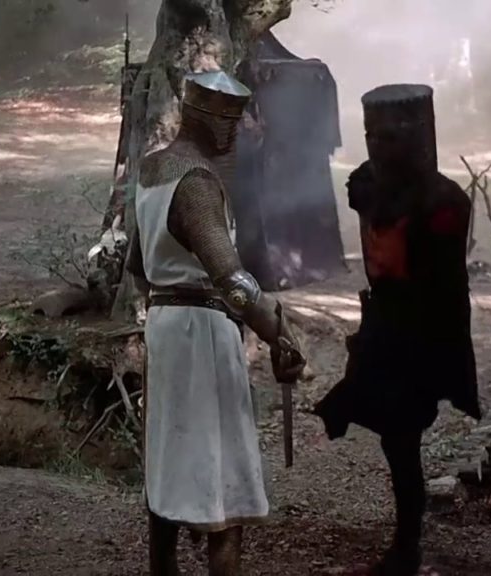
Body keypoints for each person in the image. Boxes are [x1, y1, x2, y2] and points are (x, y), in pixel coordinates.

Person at [126, 70, 306, 576]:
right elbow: (233, 281)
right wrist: (278, 330)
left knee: (168, 460)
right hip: (200, 335)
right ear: (214, 121)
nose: (238, 129)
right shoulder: (197, 182)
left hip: (167, 327)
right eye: (234, 120)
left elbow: (138, 267)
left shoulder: (153, 169)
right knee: (224, 478)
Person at [313, 84, 481, 576]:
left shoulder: (444, 202)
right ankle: (405, 546)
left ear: (417, 136)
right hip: (385, 326)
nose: (379, 148)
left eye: (390, 138)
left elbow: (439, 287)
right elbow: (370, 213)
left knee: (403, 437)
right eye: (373, 137)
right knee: (393, 436)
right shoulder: (368, 186)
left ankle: (407, 551)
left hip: (421, 336)